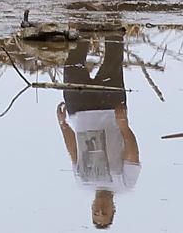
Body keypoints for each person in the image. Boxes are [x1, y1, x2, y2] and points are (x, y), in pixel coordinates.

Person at [57, 34, 140, 229]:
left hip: (79, 110)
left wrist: (63, 125)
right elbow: (132, 154)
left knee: (71, 66)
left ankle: (83, 28)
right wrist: (123, 125)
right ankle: (113, 24)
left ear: (92, 207)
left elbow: (74, 152)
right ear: (113, 210)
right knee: (112, 59)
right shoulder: (125, 184)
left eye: (96, 212)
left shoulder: (83, 182)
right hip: (109, 110)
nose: (100, 209)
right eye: (105, 213)